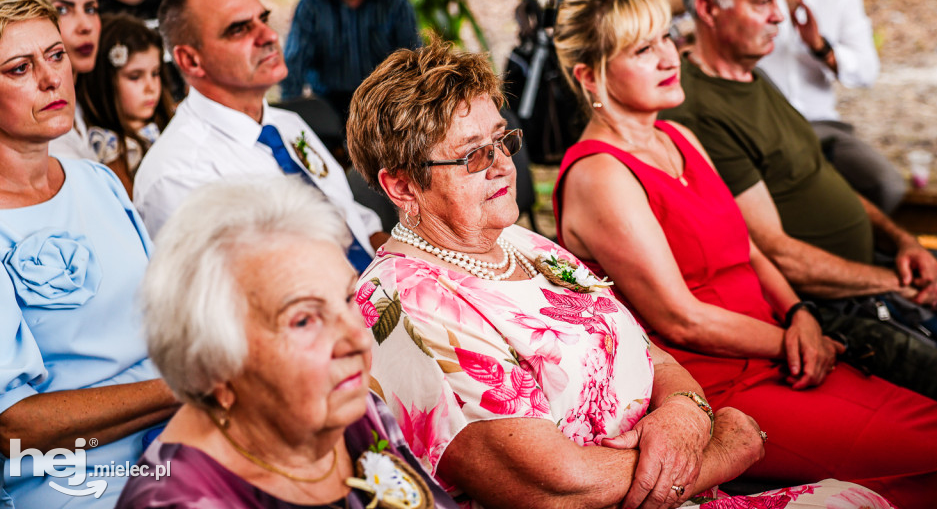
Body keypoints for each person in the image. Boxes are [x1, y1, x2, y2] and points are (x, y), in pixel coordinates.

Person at [347, 39, 894, 509]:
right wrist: (721, 450)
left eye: (501, 140)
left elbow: (647, 351)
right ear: (402, 186)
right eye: (471, 155)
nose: (501, 164)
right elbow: (550, 488)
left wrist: (684, 416)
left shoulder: (520, 242)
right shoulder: (404, 302)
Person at [546, 0, 937, 509]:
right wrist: (795, 339)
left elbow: (746, 245)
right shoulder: (600, 174)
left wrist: (798, 312)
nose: (668, 57)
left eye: (666, 38)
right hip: (720, 383)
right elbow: (682, 318)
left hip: (781, 347)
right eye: (642, 49)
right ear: (590, 76)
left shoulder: (679, 136)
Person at [660, 0, 937, 330]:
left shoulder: (754, 73)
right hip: (836, 304)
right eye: (762, 2)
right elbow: (777, 256)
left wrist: (906, 242)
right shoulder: (699, 111)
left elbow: (824, 172)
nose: (778, 17)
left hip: (867, 265)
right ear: (707, 8)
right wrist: (891, 283)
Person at [116, 177, 459, 509]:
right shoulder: (175, 501)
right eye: (304, 320)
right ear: (214, 362)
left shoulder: (354, 406)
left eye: (347, 297)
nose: (356, 338)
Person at [0, 0, 177, 507]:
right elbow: (13, 429)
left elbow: (158, 319)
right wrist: (187, 388)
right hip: (70, 481)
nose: (53, 79)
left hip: (171, 444)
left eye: (55, 56)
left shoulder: (97, 180)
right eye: (18, 68)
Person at [133, 0, 384, 272]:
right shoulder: (178, 174)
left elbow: (351, 220)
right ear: (190, 61)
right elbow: (229, 299)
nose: (269, 36)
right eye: (239, 29)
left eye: (263, 19)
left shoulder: (286, 125)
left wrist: (404, 266)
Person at [754, 0, 905, 215]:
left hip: (821, 127)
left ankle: (860, 252)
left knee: (887, 185)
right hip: (760, 128)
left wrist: (822, 49)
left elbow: (867, 71)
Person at [281, 0, 420, 137]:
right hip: (329, 107)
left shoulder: (393, 2)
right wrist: (289, 123)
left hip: (383, 108)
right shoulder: (312, 6)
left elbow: (414, 61)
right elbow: (293, 68)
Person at [15, 0, 101, 162]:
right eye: (62, 10)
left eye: (90, 9)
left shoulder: (82, 100)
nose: (85, 26)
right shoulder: (36, 129)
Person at [78, 13, 174, 196]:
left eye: (155, 73)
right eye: (135, 77)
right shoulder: (110, 149)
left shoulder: (171, 123)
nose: (150, 87)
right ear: (104, 82)